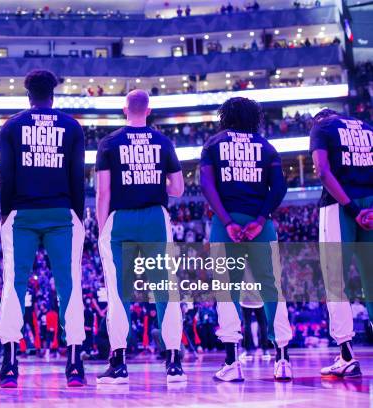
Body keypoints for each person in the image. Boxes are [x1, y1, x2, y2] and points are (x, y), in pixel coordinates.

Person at [0, 69, 86, 388]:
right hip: (63, 212)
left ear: (28, 94)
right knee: (69, 285)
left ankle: (9, 364)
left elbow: (6, 176)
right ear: (53, 93)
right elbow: (78, 177)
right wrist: (78, 213)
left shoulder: (12, 126)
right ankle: (75, 363)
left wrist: (5, 214)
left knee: (14, 284)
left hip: (21, 212)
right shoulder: (72, 126)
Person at [95, 89, 186, 384]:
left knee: (118, 295)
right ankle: (173, 362)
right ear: (148, 111)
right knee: (165, 291)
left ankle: (119, 363)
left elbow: (103, 193)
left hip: (119, 219)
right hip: (155, 219)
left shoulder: (109, 143)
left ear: (125, 110)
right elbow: (178, 189)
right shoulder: (163, 141)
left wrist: (101, 229)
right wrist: (154, 180)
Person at [200, 97, 292, 382]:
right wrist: (261, 219)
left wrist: (227, 221)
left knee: (227, 291)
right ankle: (283, 359)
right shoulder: (266, 147)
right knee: (271, 288)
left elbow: (206, 184)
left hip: (225, 224)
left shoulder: (213, 144)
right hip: (260, 226)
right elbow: (278, 187)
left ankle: (232, 362)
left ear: (224, 116)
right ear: (255, 117)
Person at [309, 109, 373, 378]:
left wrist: (353, 209)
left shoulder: (321, 129)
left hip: (340, 206)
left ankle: (347, 355)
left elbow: (323, 171)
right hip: (370, 206)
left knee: (336, 282)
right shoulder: (368, 128)